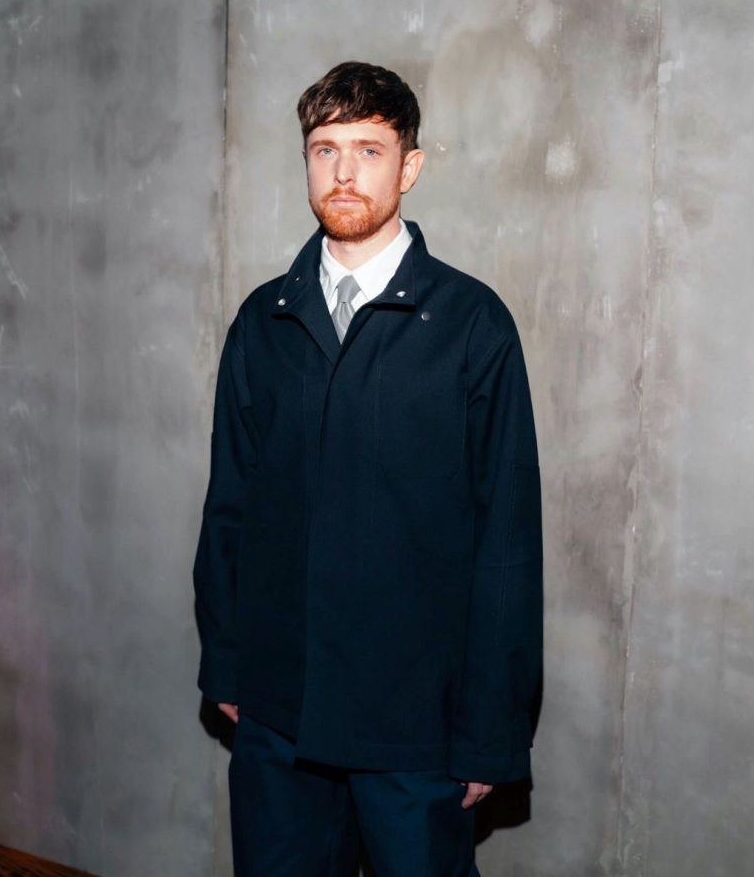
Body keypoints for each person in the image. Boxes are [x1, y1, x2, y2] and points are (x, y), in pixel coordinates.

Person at [193, 61, 543, 876]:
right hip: (281, 721)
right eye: (324, 150)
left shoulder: (472, 324)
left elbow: (507, 542)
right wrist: (228, 661)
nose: (343, 173)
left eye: (369, 150)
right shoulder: (264, 319)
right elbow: (229, 509)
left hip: (415, 730)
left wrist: (490, 731)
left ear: (409, 167)